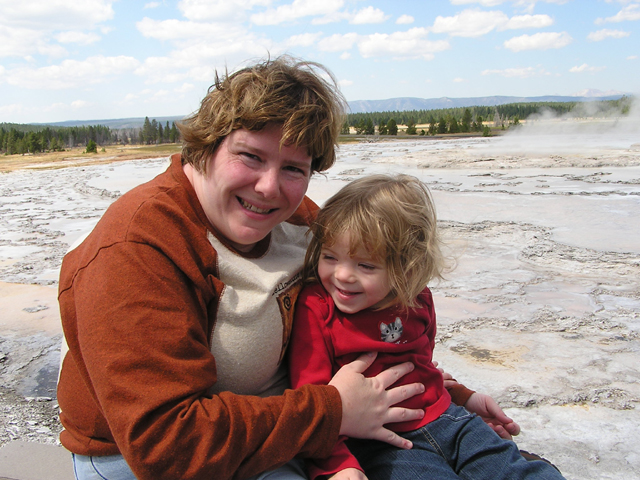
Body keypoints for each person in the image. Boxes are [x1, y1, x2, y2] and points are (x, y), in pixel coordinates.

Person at [57, 56, 428, 480]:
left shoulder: (297, 221)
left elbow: (370, 315)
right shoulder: (137, 249)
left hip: (290, 428)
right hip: (153, 459)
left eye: (293, 168)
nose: (268, 187)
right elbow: (166, 445)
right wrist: (332, 411)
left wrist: (444, 393)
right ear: (207, 146)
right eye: (250, 156)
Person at [288, 174, 565, 480]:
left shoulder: (416, 299)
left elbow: (423, 364)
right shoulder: (317, 307)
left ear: (407, 268)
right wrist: (338, 465)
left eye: (365, 265)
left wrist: (463, 397)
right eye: (329, 257)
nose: (342, 275)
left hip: (451, 420)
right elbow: (313, 400)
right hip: (383, 442)